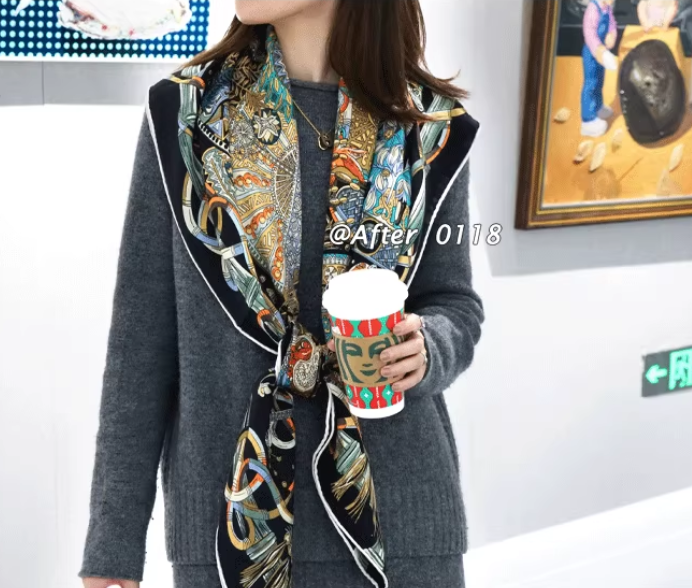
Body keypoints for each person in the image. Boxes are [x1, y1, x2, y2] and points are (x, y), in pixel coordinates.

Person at [78, 1, 484, 587]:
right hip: (232, 523)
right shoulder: (186, 116)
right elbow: (139, 348)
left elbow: (454, 302)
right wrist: (112, 545)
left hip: (401, 521)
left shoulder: (429, 128)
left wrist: (429, 348)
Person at [581, 0, 619, 137]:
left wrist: (612, 35)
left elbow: (612, 23)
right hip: (592, 54)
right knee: (591, 83)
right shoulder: (592, 10)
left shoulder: (606, 8)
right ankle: (588, 120)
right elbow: (589, 35)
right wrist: (600, 51)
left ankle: (598, 106)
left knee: (599, 80)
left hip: (602, 55)